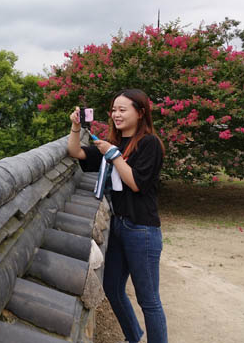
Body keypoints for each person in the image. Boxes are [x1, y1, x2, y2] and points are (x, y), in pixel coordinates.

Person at [67, 89, 168, 343]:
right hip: (119, 226)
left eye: (123, 109)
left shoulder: (149, 144)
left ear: (141, 112)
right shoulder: (116, 142)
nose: (116, 114)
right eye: (114, 110)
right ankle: (133, 336)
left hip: (142, 230)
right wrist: (75, 127)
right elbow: (76, 153)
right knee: (111, 287)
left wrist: (113, 154)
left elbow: (136, 183)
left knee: (149, 300)